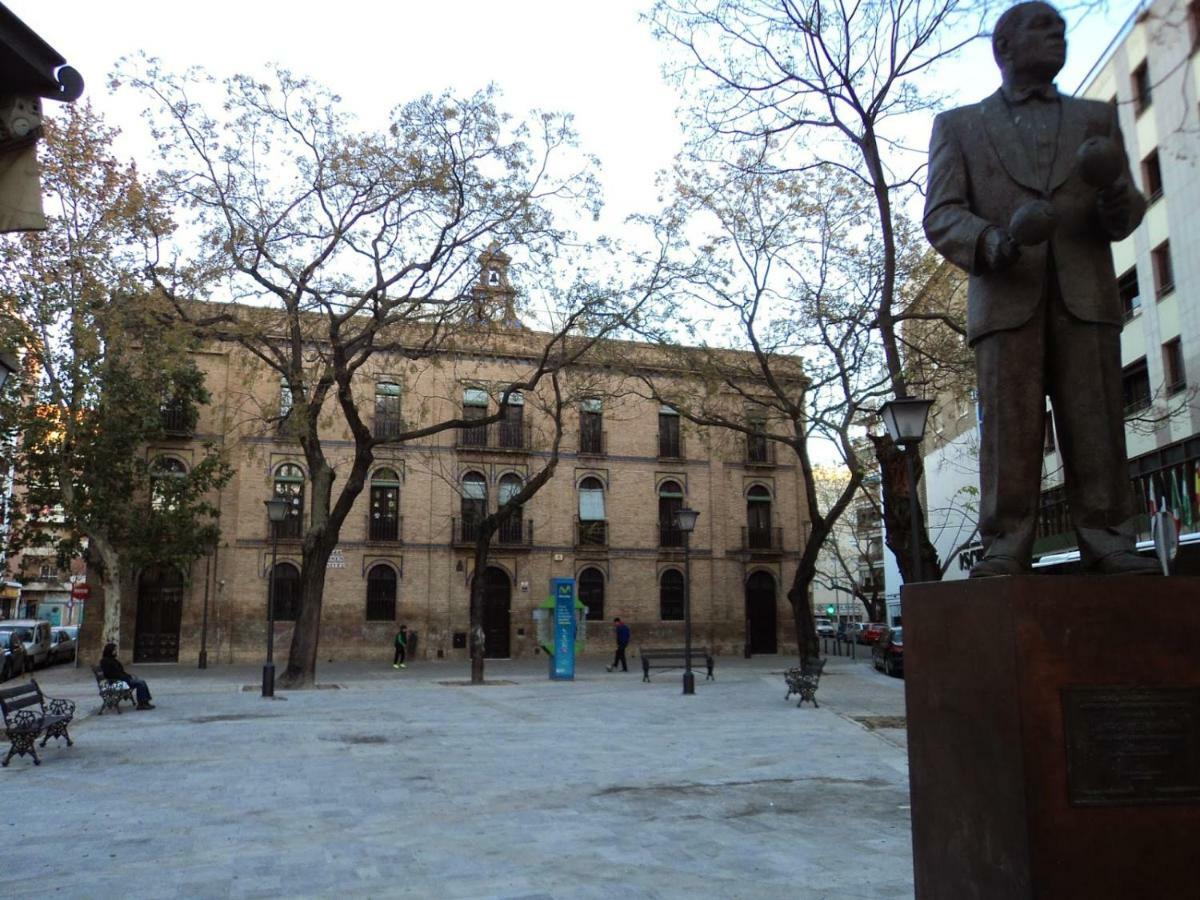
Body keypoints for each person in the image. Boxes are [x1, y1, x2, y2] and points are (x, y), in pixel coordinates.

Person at [923, 1, 1159, 577]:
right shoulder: (960, 126)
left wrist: (1116, 202)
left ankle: (1108, 537)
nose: (1056, 36)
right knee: (1008, 428)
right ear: (1003, 48)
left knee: (1097, 420)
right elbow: (942, 214)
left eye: (1061, 29)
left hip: (1085, 297)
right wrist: (992, 242)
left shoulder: (1095, 120)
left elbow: (1125, 209)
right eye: (1040, 28)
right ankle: (1006, 542)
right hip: (1006, 299)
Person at [99, 642, 154, 709]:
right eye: (115, 650)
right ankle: (142, 704)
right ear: (110, 650)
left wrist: (129, 676)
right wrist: (125, 678)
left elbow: (120, 672)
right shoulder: (105, 661)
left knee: (141, 681)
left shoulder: (112, 660)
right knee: (141, 683)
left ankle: (144, 702)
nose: (116, 651)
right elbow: (110, 674)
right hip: (115, 683)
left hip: (121, 680)